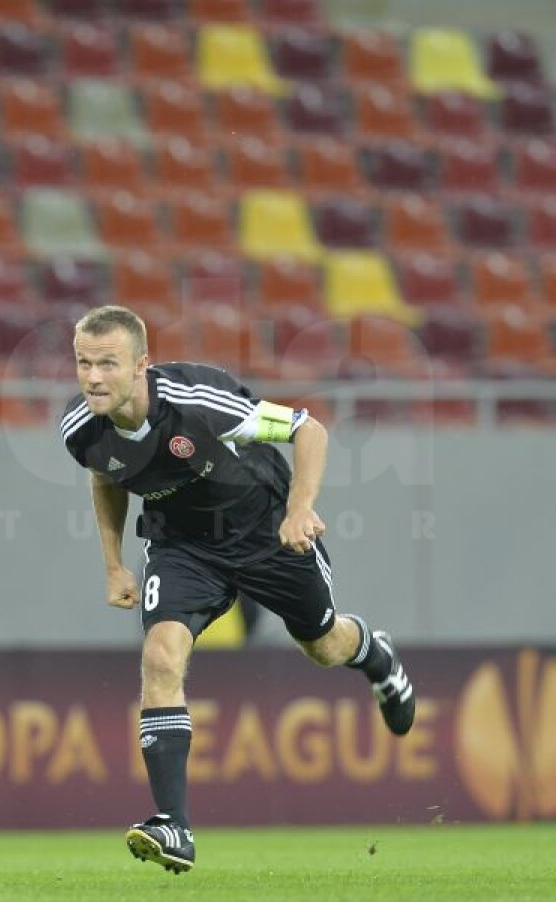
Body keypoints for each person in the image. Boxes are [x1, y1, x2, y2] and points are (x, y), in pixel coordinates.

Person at [59, 305, 415, 875]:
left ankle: (376, 654)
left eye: (108, 364)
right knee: (160, 656)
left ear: (141, 365)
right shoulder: (81, 428)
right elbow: (106, 475)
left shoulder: (198, 401)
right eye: (83, 363)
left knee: (323, 646)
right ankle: (174, 825)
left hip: (265, 531)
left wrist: (299, 510)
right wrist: (113, 563)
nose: (93, 378)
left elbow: (308, 429)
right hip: (181, 546)